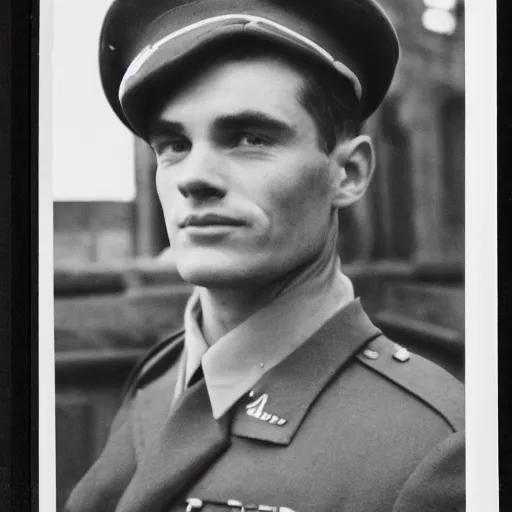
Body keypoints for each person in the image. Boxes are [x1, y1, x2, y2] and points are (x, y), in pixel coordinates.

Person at [66, 1, 465, 511]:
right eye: (173, 144)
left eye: (249, 138)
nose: (193, 177)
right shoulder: (160, 379)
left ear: (349, 173)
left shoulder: (437, 448)